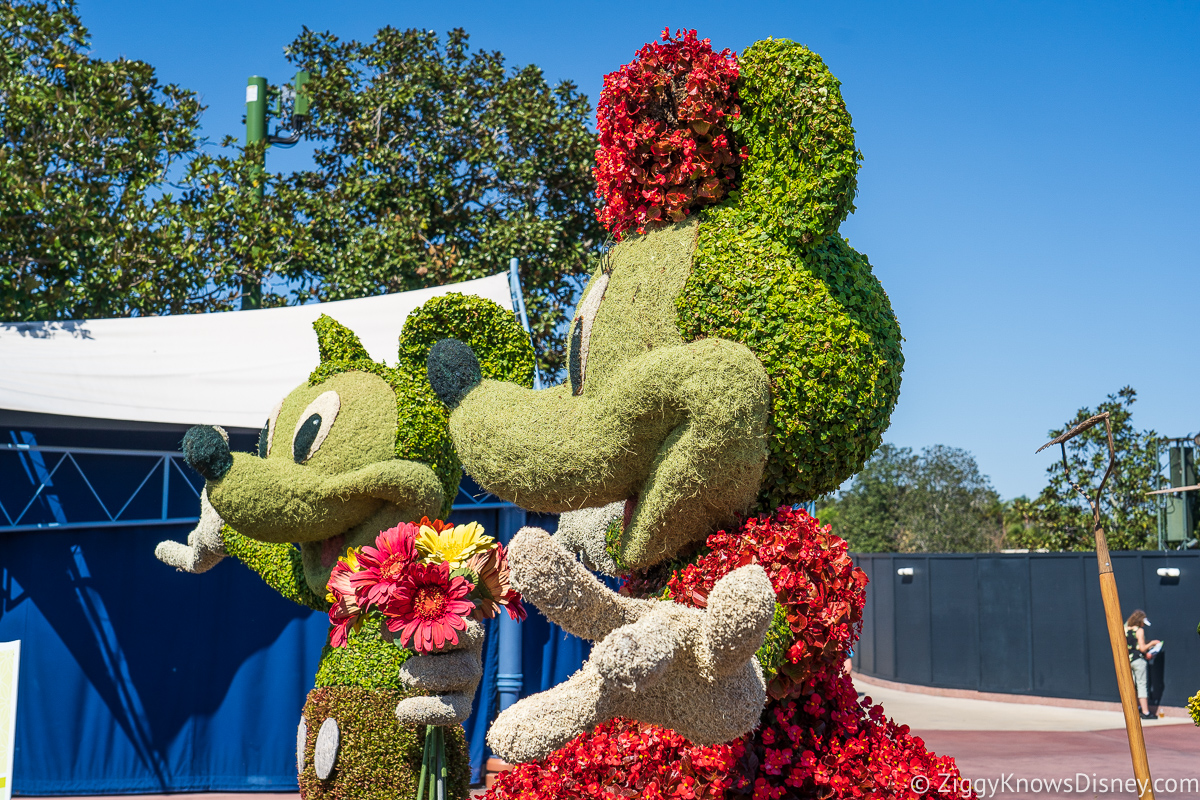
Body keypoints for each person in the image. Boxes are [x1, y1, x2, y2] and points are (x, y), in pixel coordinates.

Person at [1125, 609, 1161, 720]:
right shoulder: (1139, 630)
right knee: (1141, 685)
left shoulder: (1124, 628)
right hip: (1138, 660)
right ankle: (1145, 712)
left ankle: (1134, 709)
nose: (1143, 625)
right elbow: (1142, 648)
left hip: (1128, 660)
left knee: (1131, 686)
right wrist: (1152, 643)